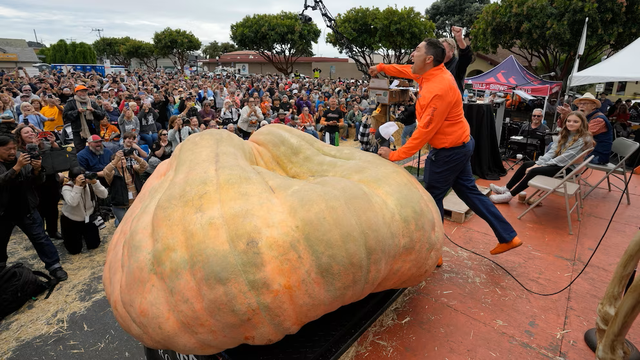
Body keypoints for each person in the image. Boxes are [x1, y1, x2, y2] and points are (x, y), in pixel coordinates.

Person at [370, 38, 522, 257]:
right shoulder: (430, 73)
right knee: (469, 192)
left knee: (431, 198)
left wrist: (395, 155)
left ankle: (434, 254)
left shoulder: (438, 88)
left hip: (449, 151)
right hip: (460, 144)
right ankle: (508, 236)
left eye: (417, 50)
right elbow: (405, 70)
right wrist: (381, 67)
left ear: (429, 59)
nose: (413, 54)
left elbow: (424, 132)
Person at [0, 135, 68, 280]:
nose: (12, 152)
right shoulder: (19, 162)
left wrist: (37, 170)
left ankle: (54, 266)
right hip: (3, 213)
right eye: (7, 149)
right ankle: (2, 270)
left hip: (26, 208)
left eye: (14, 148)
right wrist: (17, 167)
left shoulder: (21, 156)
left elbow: (36, 182)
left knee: (40, 238)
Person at [490, 111, 594, 203]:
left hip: (568, 169)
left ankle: (510, 195)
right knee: (526, 164)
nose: (571, 124)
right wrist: (539, 163)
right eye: (569, 121)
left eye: (575, 122)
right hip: (560, 165)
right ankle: (506, 188)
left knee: (534, 171)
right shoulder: (565, 134)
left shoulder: (582, 139)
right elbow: (552, 152)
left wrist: (537, 167)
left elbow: (564, 159)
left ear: (582, 124)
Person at [60, 167, 109, 254]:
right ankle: (71, 239)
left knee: (94, 245)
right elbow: (73, 202)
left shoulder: (89, 184)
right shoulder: (67, 188)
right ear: (72, 179)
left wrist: (95, 183)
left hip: (89, 217)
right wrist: (77, 186)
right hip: (71, 220)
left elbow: (104, 195)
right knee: (74, 250)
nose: (83, 181)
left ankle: (83, 237)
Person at [558, 92, 613, 164]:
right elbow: (563, 127)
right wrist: (564, 115)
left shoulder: (599, 120)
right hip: (583, 150)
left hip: (596, 155)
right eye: (579, 104)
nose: (581, 106)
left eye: (584, 104)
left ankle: (554, 171)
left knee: (558, 150)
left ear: (593, 106)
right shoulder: (584, 116)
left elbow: (580, 134)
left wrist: (570, 115)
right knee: (556, 146)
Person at [103, 149, 148, 226]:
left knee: (136, 224)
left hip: (134, 203)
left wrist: (135, 157)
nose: (122, 162)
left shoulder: (132, 169)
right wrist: (116, 160)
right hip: (120, 206)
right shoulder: (113, 173)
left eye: (123, 160)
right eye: (119, 160)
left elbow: (145, 166)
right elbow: (106, 171)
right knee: (125, 225)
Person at [63, 85, 106, 151]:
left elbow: (102, 115)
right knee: (80, 149)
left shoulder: (92, 102)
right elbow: (65, 116)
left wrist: (93, 111)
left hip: (93, 129)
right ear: (76, 92)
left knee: (97, 147)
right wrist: (77, 112)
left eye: (85, 91)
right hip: (79, 130)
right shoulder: (71, 102)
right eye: (82, 91)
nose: (84, 93)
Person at [441, 26, 473, 94]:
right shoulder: (435, 64)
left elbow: (466, 56)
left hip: (452, 103)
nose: (439, 51)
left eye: (443, 49)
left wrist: (459, 39)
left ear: (452, 50)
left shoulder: (456, 64)